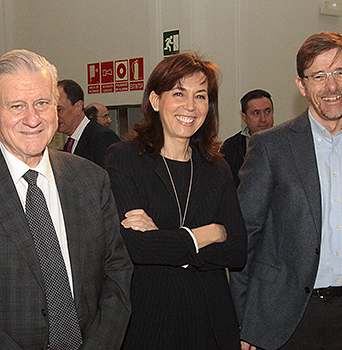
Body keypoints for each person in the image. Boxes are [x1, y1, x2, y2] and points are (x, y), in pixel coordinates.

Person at [0, 49, 132, 349]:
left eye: (42, 103)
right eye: (17, 106)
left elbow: (118, 272)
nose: (32, 118)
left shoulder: (91, 179)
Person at [230, 32, 342, 350]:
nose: (331, 86)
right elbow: (247, 238)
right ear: (302, 84)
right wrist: (245, 323)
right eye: (319, 76)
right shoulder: (271, 146)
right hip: (286, 318)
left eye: (340, 72)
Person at [105, 51, 247, 349]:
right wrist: (206, 234)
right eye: (179, 93)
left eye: (201, 96)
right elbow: (138, 247)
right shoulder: (125, 158)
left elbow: (236, 250)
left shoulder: (216, 167)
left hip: (211, 320)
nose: (190, 106)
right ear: (156, 101)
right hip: (151, 321)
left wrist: (164, 240)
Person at [56, 79, 120, 166]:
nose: (55, 116)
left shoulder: (102, 137)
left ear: (78, 107)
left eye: (59, 109)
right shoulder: (69, 145)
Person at [221, 89, 274, 186]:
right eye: (256, 113)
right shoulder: (231, 146)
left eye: (267, 111)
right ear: (244, 117)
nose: (263, 119)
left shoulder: (285, 141)